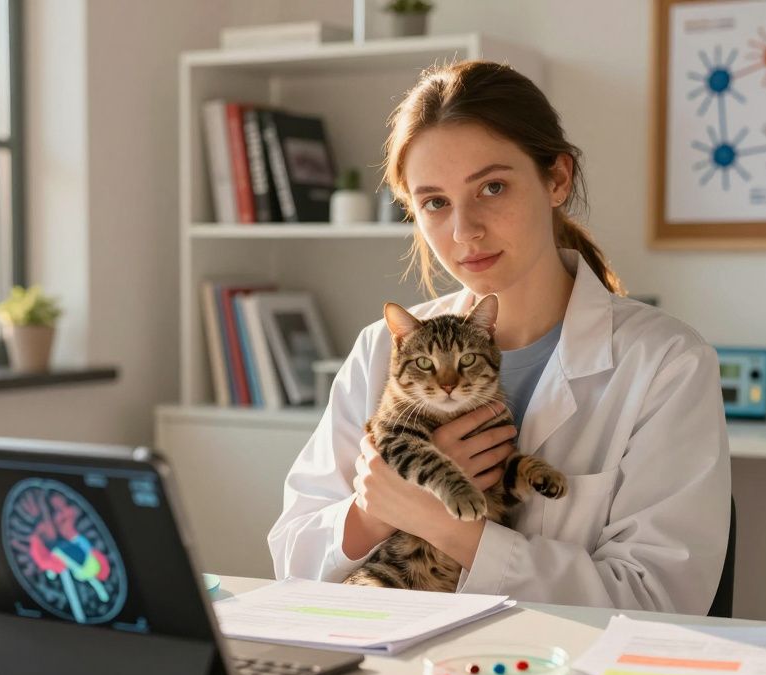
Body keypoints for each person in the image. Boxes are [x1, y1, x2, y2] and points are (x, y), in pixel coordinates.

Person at [267, 60, 730, 613]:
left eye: (492, 187)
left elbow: (660, 601)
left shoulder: (665, 363)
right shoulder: (378, 351)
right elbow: (291, 558)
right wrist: (371, 513)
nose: (465, 231)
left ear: (556, 180)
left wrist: (444, 524)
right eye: (435, 202)